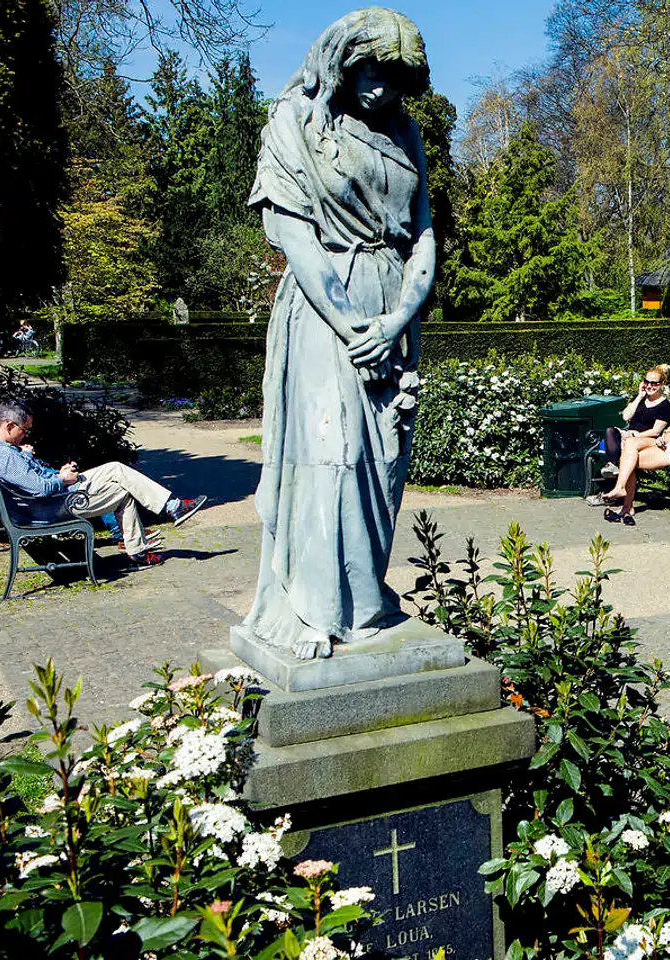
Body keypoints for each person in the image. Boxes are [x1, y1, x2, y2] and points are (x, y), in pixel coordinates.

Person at [234, 8, 435, 660]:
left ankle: (364, 597)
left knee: (382, 462)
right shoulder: (294, 123)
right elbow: (295, 239)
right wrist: (357, 331)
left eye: (398, 77)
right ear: (344, 60)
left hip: (392, 312)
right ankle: (316, 607)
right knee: (334, 454)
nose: (383, 88)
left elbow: (424, 237)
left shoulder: (405, 133)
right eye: (374, 70)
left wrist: (397, 321)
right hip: (326, 315)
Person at [0, 400, 204, 565]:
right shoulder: (1, 455)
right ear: (9, 427)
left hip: (50, 500)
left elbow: (27, 479)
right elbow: (39, 489)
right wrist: (62, 479)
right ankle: (169, 511)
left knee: (118, 479)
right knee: (120, 481)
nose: (26, 435)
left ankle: (147, 540)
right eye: (25, 430)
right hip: (52, 507)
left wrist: (51, 471)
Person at [0, 388, 135, 545]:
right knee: (103, 484)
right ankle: (123, 533)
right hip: (32, 504)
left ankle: (126, 531)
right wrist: (23, 455)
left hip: (28, 492)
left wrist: (19, 452)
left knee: (107, 473)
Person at [599, 374, 670, 525]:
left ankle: (626, 505)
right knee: (630, 447)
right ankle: (621, 491)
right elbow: (668, 432)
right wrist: (665, 437)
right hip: (669, 445)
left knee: (629, 460)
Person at [602, 365, 670, 473]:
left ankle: (615, 471)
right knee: (610, 431)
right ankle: (614, 467)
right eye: (646, 382)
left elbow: (655, 431)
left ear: (662, 384)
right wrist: (640, 396)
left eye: (654, 383)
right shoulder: (639, 398)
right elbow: (626, 416)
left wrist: (634, 435)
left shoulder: (664, 405)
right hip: (629, 435)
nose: (649, 386)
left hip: (646, 439)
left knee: (626, 444)